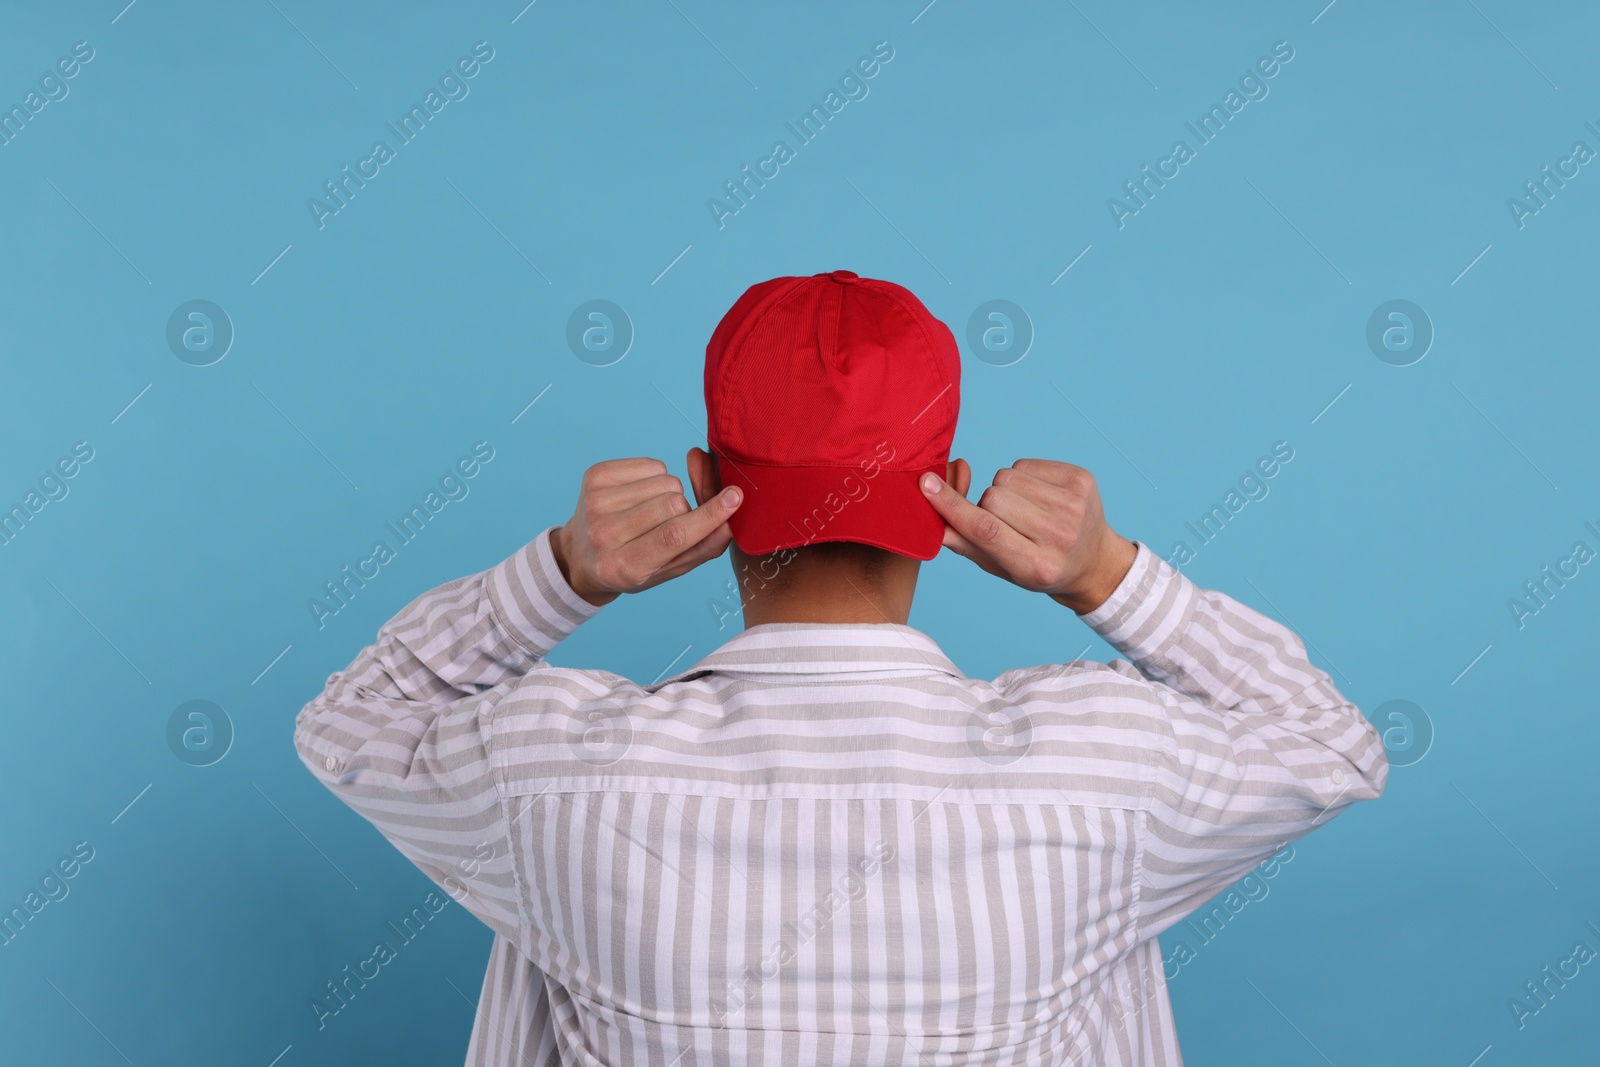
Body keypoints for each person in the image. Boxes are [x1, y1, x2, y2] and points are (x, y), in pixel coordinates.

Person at [295, 269, 1387, 1065]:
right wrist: (1101, 573)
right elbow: (1329, 744)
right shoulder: (1104, 765)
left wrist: (565, 572)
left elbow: (351, 721)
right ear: (949, 484)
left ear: (703, 482)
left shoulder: (550, 771)